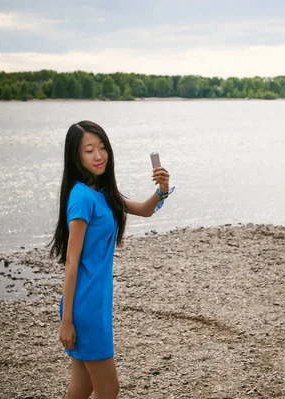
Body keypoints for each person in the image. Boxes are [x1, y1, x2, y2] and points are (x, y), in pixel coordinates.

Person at [48, 120, 172, 399]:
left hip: (95, 302)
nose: (98, 155)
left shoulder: (103, 193)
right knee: (108, 389)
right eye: (89, 150)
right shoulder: (81, 197)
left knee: (82, 387)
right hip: (84, 308)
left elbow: (144, 210)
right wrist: (66, 320)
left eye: (102, 148)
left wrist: (162, 189)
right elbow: (71, 262)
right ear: (75, 157)